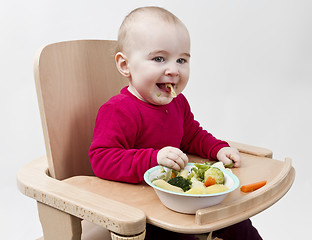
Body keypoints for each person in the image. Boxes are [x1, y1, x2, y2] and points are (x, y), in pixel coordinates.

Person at [89, 6, 262, 240]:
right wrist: (154, 158)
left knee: (237, 220)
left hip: (179, 199)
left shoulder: (177, 103)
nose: (173, 70)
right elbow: (102, 159)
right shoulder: (118, 110)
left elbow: (192, 136)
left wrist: (217, 148)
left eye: (181, 60)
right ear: (125, 65)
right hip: (142, 211)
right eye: (159, 58)